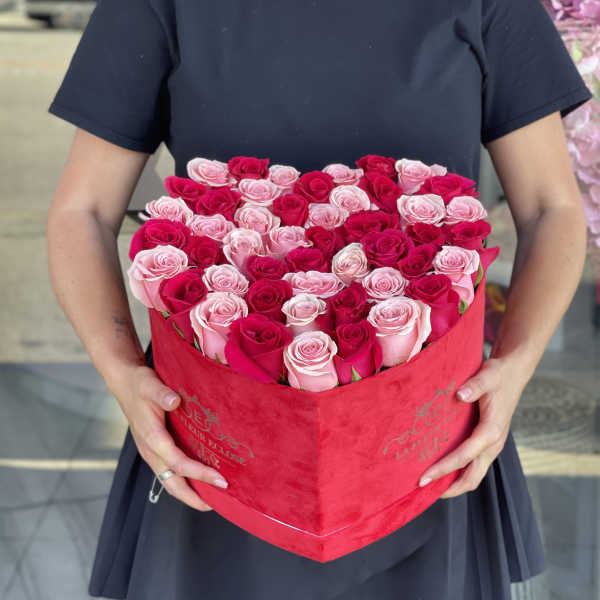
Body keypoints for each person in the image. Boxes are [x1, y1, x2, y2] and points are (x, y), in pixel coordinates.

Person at [46, 0, 592, 598]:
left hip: (425, 442)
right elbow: (83, 211)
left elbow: (551, 208)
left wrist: (513, 368)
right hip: (217, 446)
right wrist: (123, 373)